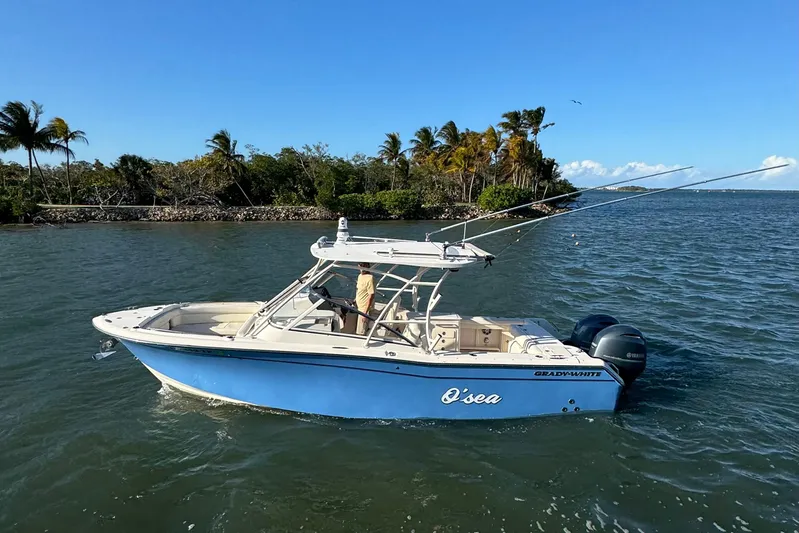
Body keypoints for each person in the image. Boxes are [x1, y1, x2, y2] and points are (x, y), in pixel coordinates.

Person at [355, 262, 375, 335]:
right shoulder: (360, 276)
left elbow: (371, 295)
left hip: (364, 309)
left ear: (368, 266)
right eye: (360, 265)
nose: (362, 267)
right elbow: (359, 290)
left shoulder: (370, 278)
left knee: (361, 332)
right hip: (359, 307)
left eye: (364, 265)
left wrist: (365, 313)